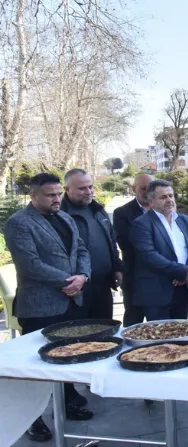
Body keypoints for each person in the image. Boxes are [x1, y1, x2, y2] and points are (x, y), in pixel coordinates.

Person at [4, 173, 93, 441]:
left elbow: (81, 250)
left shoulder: (65, 217)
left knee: (66, 357)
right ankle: (32, 419)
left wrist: (83, 277)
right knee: (36, 367)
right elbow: (30, 264)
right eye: (50, 195)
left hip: (71, 300)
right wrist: (68, 282)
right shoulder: (19, 223)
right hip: (40, 307)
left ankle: (66, 403)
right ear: (33, 195)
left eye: (58, 194)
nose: (56, 199)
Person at [131, 179, 188, 321]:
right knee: (160, 333)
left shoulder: (184, 220)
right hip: (157, 294)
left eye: (171, 195)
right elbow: (149, 255)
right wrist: (181, 270)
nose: (169, 200)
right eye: (163, 197)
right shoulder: (141, 224)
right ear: (151, 202)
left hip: (184, 288)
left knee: (183, 331)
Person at [60, 169, 123, 320]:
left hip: (103, 285)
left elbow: (111, 241)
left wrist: (117, 267)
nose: (88, 192)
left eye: (90, 187)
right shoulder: (61, 215)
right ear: (67, 189)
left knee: (105, 329)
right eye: (82, 188)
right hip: (77, 289)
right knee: (81, 332)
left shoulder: (98, 210)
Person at [113, 174, 153, 326]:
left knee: (160, 325)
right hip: (135, 279)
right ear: (133, 188)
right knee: (133, 323)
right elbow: (126, 244)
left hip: (162, 280)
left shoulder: (163, 209)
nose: (148, 192)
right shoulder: (122, 213)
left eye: (151, 188)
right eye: (143, 188)